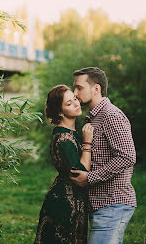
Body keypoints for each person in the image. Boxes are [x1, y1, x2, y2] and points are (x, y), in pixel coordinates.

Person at [70, 67, 136, 244]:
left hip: (113, 202)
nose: (75, 94)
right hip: (101, 204)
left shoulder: (110, 115)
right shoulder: (93, 117)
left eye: (79, 88)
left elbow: (127, 156)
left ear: (96, 89)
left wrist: (89, 178)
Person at [35, 84, 94, 244]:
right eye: (69, 103)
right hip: (65, 205)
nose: (76, 103)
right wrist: (87, 143)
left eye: (74, 98)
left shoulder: (70, 133)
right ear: (60, 112)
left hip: (71, 200)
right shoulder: (63, 139)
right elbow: (81, 173)